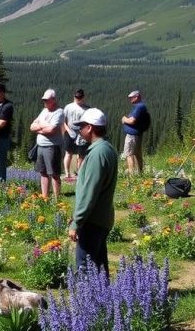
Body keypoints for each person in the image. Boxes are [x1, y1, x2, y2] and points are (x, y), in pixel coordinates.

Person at [68, 108, 118, 275]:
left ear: (90, 127)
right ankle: (105, 300)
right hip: (102, 218)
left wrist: (77, 221)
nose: (80, 130)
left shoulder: (97, 153)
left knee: (85, 269)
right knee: (99, 267)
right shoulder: (107, 149)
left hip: (92, 220)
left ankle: (86, 300)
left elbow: (89, 191)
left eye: (81, 126)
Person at [30, 89, 65, 199]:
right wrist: (43, 126)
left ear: (53, 100)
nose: (45, 102)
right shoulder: (44, 111)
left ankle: (56, 199)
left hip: (52, 146)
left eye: (47, 100)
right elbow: (32, 126)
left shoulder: (59, 112)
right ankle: (45, 197)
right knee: (43, 173)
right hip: (41, 146)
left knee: (54, 174)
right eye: (44, 100)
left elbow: (51, 130)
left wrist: (39, 127)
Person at [62, 90, 90, 181]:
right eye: (76, 97)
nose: (77, 99)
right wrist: (68, 130)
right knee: (68, 153)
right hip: (69, 131)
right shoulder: (68, 107)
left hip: (82, 133)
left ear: (83, 97)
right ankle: (67, 173)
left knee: (81, 154)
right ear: (74, 97)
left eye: (79, 97)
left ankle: (80, 173)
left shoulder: (87, 109)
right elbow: (64, 121)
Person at [121, 90, 149, 176]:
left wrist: (124, 119)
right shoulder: (141, 106)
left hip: (132, 136)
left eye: (131, 98)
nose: (130, 99)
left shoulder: (139, 107)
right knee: (137, 154)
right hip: (137, 135)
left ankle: (131, 175)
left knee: (129, 154)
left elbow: (132, 121)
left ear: (136, 97)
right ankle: (140, 173)